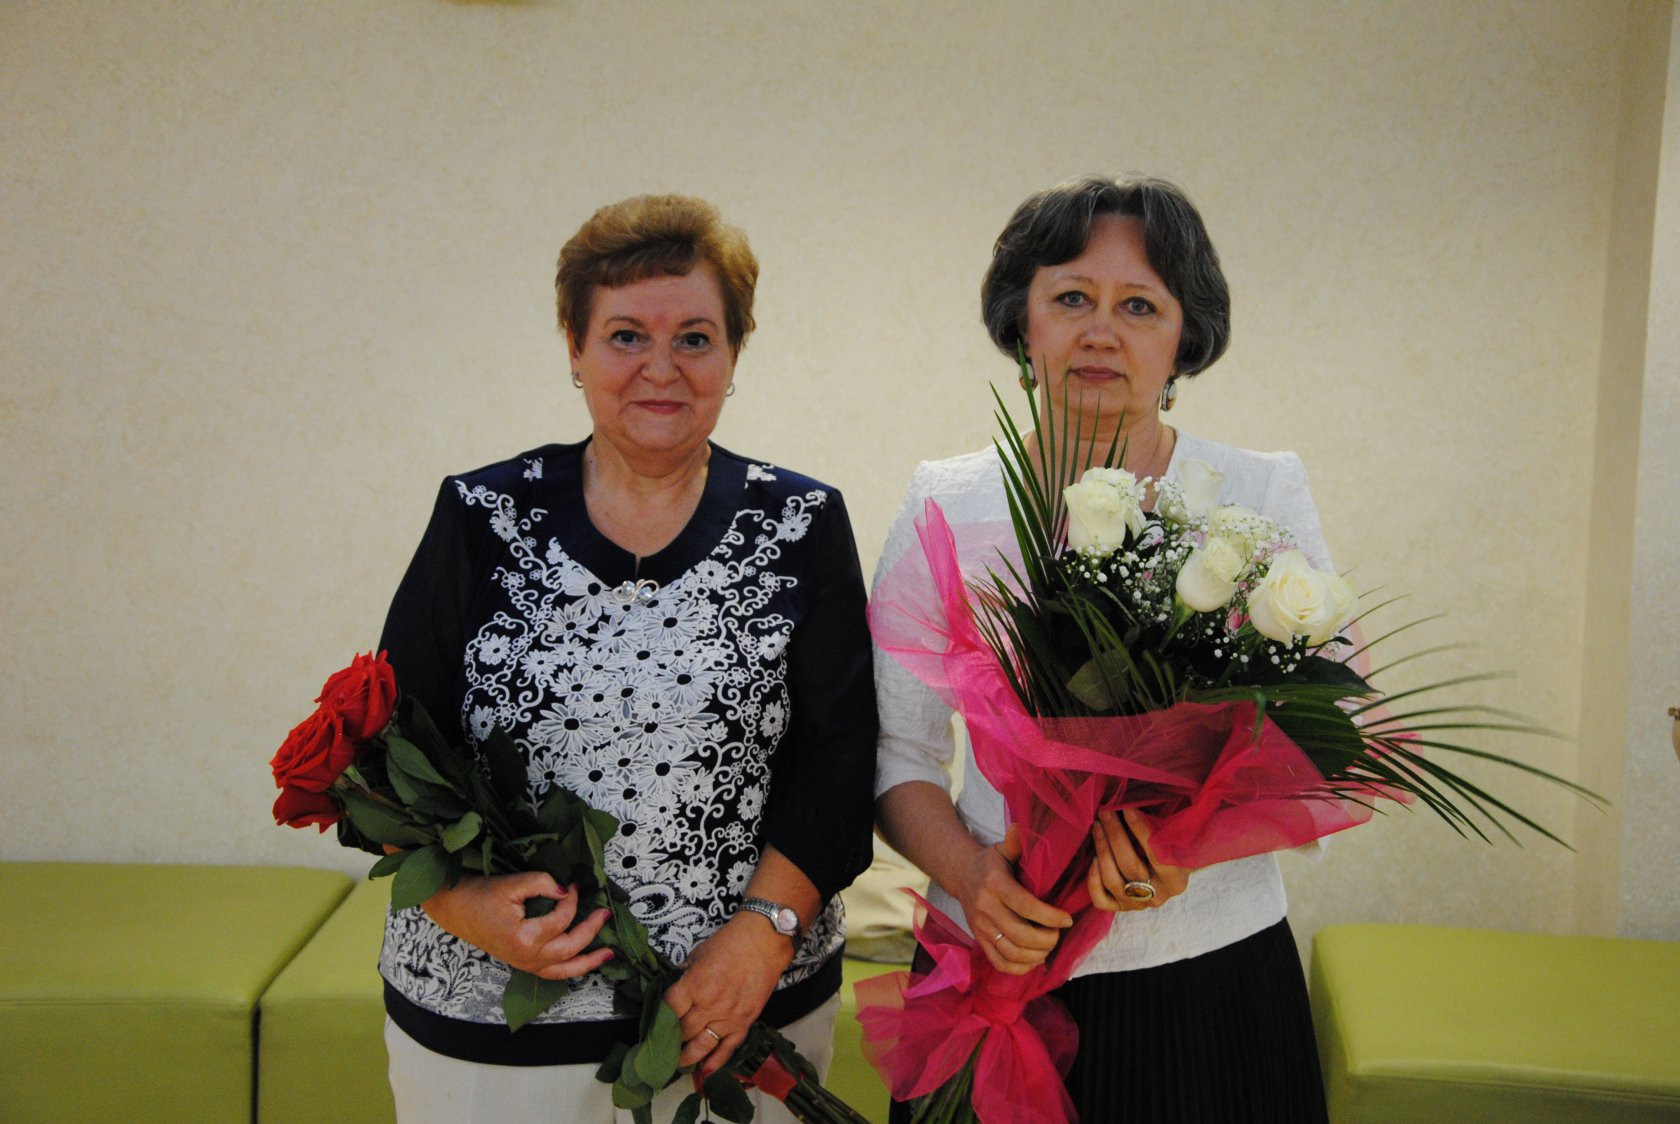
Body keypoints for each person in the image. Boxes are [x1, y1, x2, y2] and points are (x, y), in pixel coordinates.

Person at [370, 194, 878, 1122]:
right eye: (626, 336)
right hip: (491, 1030)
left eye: (695, 338)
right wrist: (465, 906)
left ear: (734, 354)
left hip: (735, 1022)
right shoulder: (482, 517)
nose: (661, 368)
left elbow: (839, 762)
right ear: (574, 347)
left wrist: (763, 934)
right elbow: (385, 753)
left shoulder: (802, 524)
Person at [873, 174, 1331, 1121]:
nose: (1100, 332)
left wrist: (1186, 851)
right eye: (1071, 298)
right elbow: (897, 749)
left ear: (1183, 338)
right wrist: (970, 877)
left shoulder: (1257, 492)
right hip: (997, 953)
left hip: (1208, 967)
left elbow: (1324, 742)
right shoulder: (947, 500)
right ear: (1023, 321)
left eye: (1139, 306)